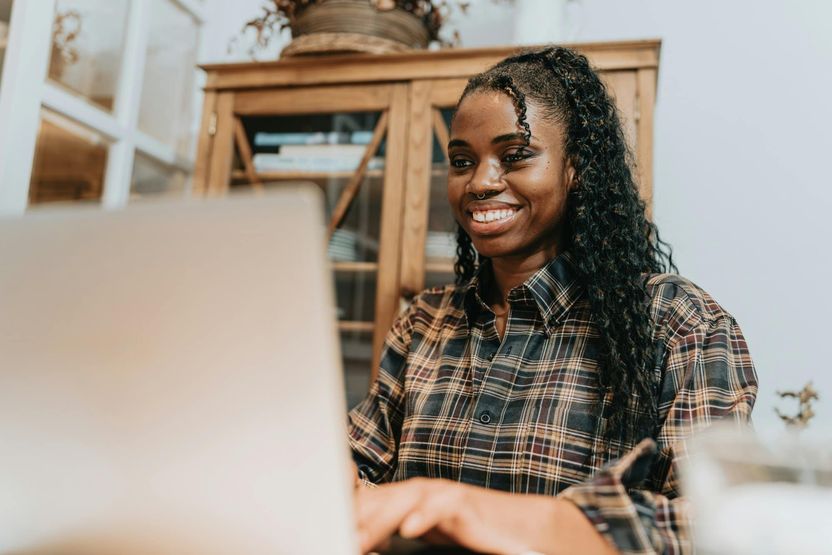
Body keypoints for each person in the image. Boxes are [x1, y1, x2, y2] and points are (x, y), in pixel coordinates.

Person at [348, 46, 758, 555]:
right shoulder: (425, 322)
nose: (480, 182)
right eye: (461, 161)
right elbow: (359, 463)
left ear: (575, 169)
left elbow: (719, 528)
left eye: (515, 155)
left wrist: (467, 508)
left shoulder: (680, 324)